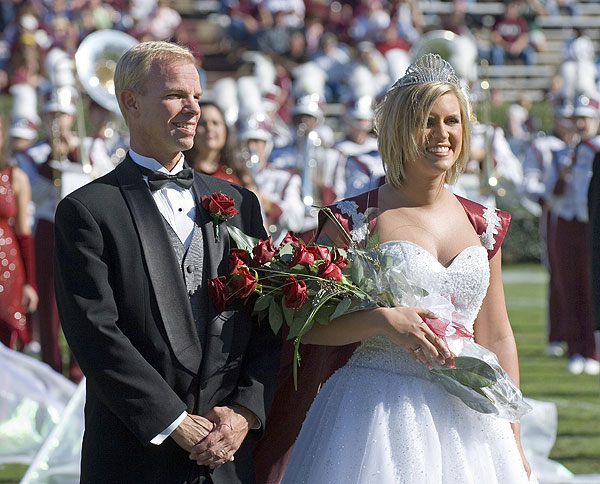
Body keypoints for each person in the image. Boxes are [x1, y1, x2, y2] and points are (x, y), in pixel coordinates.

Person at [281, 54, 533, 483]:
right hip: (375, 413)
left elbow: (497, 334)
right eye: (426, 121)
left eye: (451, 121)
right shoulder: (355, 221)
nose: (441, 134)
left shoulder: (484, 224)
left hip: (473, 424)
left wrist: (514, 440)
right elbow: (304, 326)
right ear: (400, 128)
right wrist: (382, 321)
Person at [53, 41, 281, 484]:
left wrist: (242, 412)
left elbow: (268, 319)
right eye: (177, 95)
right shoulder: (88, 210)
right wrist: (173, 421)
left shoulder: (239, 203)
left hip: (227, 457)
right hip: (133, 456)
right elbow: (95, 333)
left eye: (197, 96)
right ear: (131, 102)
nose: (193, 109)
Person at [544, 93, 600, 375]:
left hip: (592, 224)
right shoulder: (564, 152)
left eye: (586, 118)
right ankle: (576, 347)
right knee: (570, 285)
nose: (580, 123)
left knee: (593, 288)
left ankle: (593, 349)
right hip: (568, 222)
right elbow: (549, 194)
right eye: (577, 118)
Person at [0, 115, 38, 349]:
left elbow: (24, 233)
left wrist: (29, 284)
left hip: (8, 269)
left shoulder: (16, 177)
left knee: (7, 341)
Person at [188, 101, 254, 189]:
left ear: (226, 130)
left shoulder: (238, 172)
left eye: (215, 123)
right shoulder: (181, 172)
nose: (209, 128)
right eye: (202, 123)